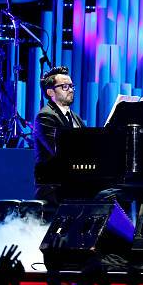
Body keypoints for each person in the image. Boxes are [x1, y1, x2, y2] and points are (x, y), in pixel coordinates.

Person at [33, 66, 85, 204]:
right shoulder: (45, 116)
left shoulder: (76, 118)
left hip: (74, 180)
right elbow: (60, 152)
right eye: (65, 87)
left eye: (72, 86)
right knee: (106, 195)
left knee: (116, 192)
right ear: (51, 92)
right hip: (54, 186)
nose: (71, 89)